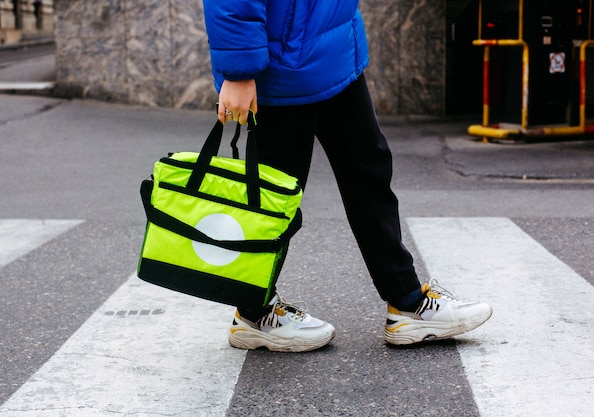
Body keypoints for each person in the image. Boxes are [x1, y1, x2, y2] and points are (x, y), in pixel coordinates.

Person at [202, 0, 492, 351]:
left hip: (333, 47)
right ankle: (253, 311)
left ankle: (407, 301)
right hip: (282, 63)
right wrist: (238, 69)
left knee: (368, 170)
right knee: (274, 195)